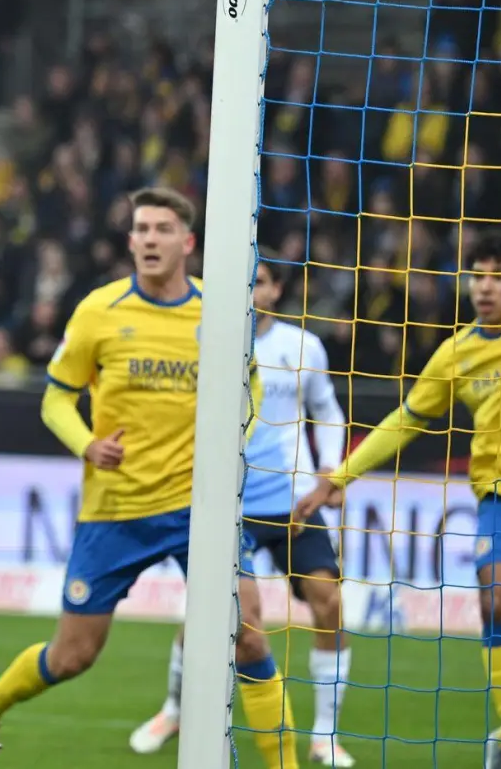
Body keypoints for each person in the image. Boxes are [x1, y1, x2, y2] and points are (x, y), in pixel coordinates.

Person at [0, 187, 298, 769]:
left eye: (162, 229)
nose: (150, 239)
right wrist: (86, 443)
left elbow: (250, 388)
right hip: (115, 510)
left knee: (250, 634)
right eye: (141, 229)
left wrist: (238, 438)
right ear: (130, 242)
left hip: (197, 509)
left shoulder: (223, 308)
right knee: (73, 655)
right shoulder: (99, 311)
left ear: (188, 242)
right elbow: (56, 399)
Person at [297, 235, 501, 769]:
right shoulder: (457, 353)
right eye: (476, 275)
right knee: (495, 603)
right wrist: (340, 475)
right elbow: (406, 419)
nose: (484, 286)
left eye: (497, 275)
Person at [130, 256, 352, 766]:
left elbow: (328, 411)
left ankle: (325, 735)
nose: (252, 293)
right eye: (244, 283)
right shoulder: (207, 337)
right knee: (219, 614)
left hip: (293, 501)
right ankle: (175, 708)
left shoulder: (302, 346)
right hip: (228, 505)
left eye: (262, 284)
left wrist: (331, 471)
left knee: (329, 602)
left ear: (277, 291)